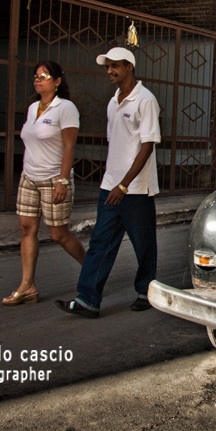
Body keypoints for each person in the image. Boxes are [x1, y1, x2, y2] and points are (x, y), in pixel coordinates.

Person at [56, 47, 161, 318]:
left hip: (135, 188)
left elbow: (147, 146)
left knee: (144, 243)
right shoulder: (113, 101)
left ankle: (146, 291)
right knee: (101, 243)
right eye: (107, 67)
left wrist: (124, 184)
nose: (110, 71)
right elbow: (116, 144)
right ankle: (88, 300)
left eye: (115, 66)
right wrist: (112, 182)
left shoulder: (145, 100)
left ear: (129, 67)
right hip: (110, 186)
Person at [3, 61, 86, 305]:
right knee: (26, 229)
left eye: (45, 76)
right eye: (36, 76)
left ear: (57, 81)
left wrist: (62, 180)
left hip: (54, 178)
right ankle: (27, 285)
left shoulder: (66, 108)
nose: (38, 80)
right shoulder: (32, 108)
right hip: (29, 176)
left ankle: (91, 269)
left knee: (58, 234)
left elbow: (70, 146)